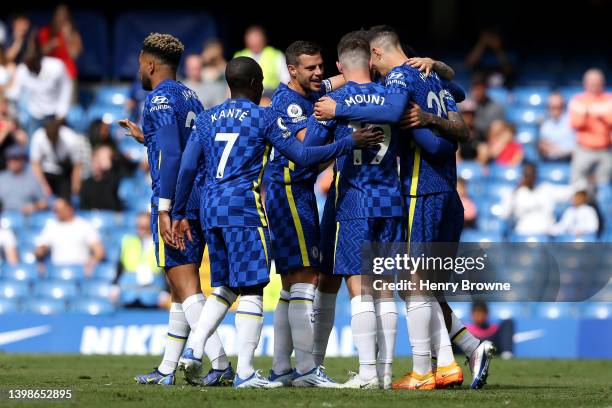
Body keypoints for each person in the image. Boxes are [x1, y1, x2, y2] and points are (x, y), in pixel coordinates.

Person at [171, 56, 382, 389]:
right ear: (256, 85)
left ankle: (194, 350)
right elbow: (302, 157)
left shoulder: (208, 118)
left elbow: (185, 169)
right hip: (243, 210)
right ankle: (244, 373)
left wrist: (180, 213)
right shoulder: (263, 116)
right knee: (253, 288)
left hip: (210, 209)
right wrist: (348, 143)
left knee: (225, 286)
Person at [315, 25, 492, 391]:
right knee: (421, 285)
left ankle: (420, 370)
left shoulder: (396, 81)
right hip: (444, 191)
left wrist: (337, 100)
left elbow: (395, 107)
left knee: (410, 284)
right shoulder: (425, 75)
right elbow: (456, 92)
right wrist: (439, 65)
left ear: (376, 55)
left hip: (415, 190)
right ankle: (456, 357)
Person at [117, 33, 230, 387]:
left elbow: (174, 156)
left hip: (177, 201)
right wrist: (145, 138)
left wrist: (167, 209)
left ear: (149, 64)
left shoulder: (158, 99)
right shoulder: (188, 95)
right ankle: (167, 369)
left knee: (186, 285)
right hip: (199, 197)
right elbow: (179, 142)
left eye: (140, 64)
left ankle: (221, 362)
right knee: (180, 287)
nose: (140, 69)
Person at [263, 40, 344, 387]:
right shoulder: (290, 104)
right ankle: (308, 370)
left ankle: (282, 368)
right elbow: (306, 150)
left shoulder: (310, 91)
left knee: (290, 285)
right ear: (292, 70)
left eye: (321, 66)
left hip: (297, 192)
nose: (319, 73)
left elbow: (334, 84)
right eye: (310, 68)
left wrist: (355, 74)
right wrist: (332, 120)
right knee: (305, 279)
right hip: (289, 191)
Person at [6, 36, 73, 137]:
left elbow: (66, 89)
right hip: (35, 118)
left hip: (56, 116)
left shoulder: (56, 66)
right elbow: (13, 94)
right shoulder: (22, 70)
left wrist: (61, 115)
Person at [34, 198, 104, 276]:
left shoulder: (84, 226)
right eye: (55, 210)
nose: (56, 213)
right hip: (57, 272)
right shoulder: (51, 226)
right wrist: (40, 252)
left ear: (69, 209)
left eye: (59, 210)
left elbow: (99, 252)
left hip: (80, 272)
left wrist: (91, 263)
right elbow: (40, 248)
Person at [501, 163, 574, 236]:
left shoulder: (546, 189)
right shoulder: (515, 193)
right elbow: (504, 214)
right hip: (523, 233)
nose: (528, 177)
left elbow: (570, 192)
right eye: (526, 174)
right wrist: (514, 193)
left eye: (531, 174)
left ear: (535, 175)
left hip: (545, 233)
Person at [111, 212, 166, 308]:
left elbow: (167, 270)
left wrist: (166, 292)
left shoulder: (161, 244)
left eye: (144, 227)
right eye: (138, 226)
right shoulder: (127, 241)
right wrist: (115, 286)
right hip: (129, 294)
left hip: (152, 294)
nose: (141, 230)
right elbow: (119, 267)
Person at [568, 68, 612, 185]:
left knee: (604, 185)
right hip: (584, 149)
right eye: (591, 82)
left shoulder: (609, 98)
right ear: (585, 83)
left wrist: (589, 111)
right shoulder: (578, 99)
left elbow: (610, 119)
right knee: (578, 184)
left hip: (605, 149)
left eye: (597, 82)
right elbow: (576, 123)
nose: (594, 85)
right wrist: (597, 112)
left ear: (602, 83)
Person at [29, 118, 82, 200]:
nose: (52, 140)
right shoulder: (38, 137)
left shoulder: (70, 138)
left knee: (66, 200)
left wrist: (75, 186)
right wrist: (44, 186)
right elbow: (35, 164)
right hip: (45, 173)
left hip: (64, 173)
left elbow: (77, 165)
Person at [234, 26, 289, 99]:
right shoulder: (239, 56)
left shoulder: (276, 55)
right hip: (245, 97)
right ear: (246, 40)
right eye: (251, 39)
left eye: (257, 39)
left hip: (270, 96)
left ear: (264, 40)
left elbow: (286, 81)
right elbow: (232, 83)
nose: (254, 42)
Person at [38, 4, 82, 80]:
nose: (61, 18)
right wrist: (51, 44)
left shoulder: (74, 34)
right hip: (49, 74)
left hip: (68, 74)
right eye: (59, 15)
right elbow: (40, 53)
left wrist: (67, 38)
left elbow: (74, 55)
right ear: (54, 16)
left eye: (64, 15)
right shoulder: (45, 32)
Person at [0, 145, 47, 214]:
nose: (11, 162)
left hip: (26, 220)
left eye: (15, 158)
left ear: (22, 160)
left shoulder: (32, 179)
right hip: (4, 219)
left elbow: (45, 203)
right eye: (9, 159)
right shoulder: (1, 177)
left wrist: (34, 206)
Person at [79, 145, 123, 211]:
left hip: (110, 217)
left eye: (100, 160)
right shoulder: (86, 183)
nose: (97, 163)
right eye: (94, 160)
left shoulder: (113, 180)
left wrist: (107, 167)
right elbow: (83, 207)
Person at [539, 92, 576, 161]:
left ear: (563, 106)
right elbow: (543, 144)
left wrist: (561, 151)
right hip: (550, 160)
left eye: (559, 106)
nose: (555, 110)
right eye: (552, 107)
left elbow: (578, 146)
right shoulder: (544, 123)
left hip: (570, 159)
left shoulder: (573, 121)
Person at [470, 74, 505, 138]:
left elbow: (498, 128)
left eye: (480, 89)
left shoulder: (496, 107)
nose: (477, 92)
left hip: (489, 140)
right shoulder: (468, 105)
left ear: (486, 89)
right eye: (476, 89)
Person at [200, 39, 228, 108]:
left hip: (221, 103)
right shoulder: (202, 69)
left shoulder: (223, 67)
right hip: (206, 104)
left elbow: (224, 70)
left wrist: (218, 58)